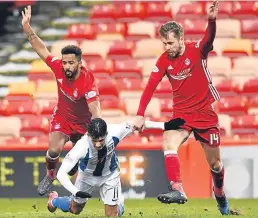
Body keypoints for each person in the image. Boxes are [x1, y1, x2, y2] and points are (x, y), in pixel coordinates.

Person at [133, 0, 230, 216]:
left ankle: (220, 194)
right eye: (164, 44)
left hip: (205, 114)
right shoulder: (164, 60)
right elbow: (150, 87)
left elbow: (209, 38)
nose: (167, 48)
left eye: (170, 43)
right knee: (168, 141)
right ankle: (177, 189)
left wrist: (211, 20)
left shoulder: (198, 50)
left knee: (215, 165)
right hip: (181, 116)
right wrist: (140, 114)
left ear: (181, 39)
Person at [21, 6, 102, 196]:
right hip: (63, 118)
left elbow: (96, 110)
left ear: (79, 64)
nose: (66, 66)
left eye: (71, 63)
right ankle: (50, 175)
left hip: (83, 124)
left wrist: (97, 132)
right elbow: (40, 48)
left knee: (82, 157)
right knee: (53, 150)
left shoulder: (88, 81)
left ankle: (73, 164)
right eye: (65, 62)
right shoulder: (58, 67)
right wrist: (27, 28)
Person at [47, 117, 184, 217]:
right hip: (86, 177)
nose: (99, 144)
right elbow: (61, 174)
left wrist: (165, 125)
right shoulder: (80, 147)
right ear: (89, 136)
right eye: (95, 141)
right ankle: (54, 200)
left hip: (110, 175)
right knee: (75, 209)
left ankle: (119, 205)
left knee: (112, 215)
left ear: (106, 134)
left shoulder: (115, 131)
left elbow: (139, 124)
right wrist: (76, 192)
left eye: (101, 140)